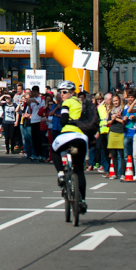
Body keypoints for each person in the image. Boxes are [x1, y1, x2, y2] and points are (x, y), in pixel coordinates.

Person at [50, 81, 88, 215]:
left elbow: (63, 121)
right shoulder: (83, 104)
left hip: (68, 134)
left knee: (54, 150)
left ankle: (60, 173)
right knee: (79, 170)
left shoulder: (67, 103)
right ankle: (82, 200)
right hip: (82, 137)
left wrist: (65, 118)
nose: (62, 94)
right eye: (60, 92)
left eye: (64, 92)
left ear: (72, 92)